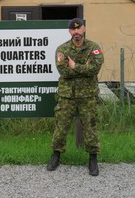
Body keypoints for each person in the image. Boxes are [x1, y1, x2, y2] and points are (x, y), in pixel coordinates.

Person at [46, 18, 104, 176]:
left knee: (90, 128)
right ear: (69, 31)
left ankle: (93, 159)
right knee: (61, 127)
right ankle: (56, 156)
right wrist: (84, 68)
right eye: (73, 29)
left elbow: (95, 69)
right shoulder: (62, 49)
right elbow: (64, 71)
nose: (76, 32)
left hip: (88, 96)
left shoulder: (93, 48)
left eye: (79, 29)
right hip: (67, 96)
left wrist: (75, 66)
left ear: (84, 29)